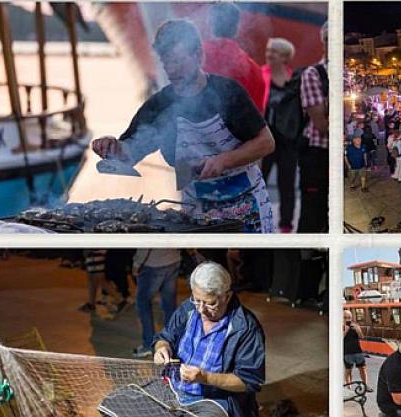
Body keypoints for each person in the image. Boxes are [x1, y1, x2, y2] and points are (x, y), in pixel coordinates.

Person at [92, 19, 275, 233]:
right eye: (166, 62)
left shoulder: (228, 92)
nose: (171, 70)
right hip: (195, 209)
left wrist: (224, 160)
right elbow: (130, 152)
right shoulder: (159, 105)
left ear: (198, 55)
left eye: (178, 61)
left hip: (246, 206)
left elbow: (266, 143)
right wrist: (110, 146)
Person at [152, 262, 265, 417]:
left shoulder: (245, 327)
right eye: (197, 300)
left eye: (211, 303)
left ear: (227, 296)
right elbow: (165, 337)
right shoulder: (189, 308)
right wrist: (162, 347)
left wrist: (205, 378)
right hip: (172, 387)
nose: (201, 309)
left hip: (211, 400)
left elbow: (249, 380)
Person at [261, 37, 299, 233]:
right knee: (259, 182)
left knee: (287, 185)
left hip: (287, 141)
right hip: (264, 139)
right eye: (268, 50)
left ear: (284, 56)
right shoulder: (260, 75)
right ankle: (254, 218)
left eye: (273, 51)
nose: (268, 54)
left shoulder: (295, 79)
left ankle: (285, 224)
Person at [201, 3, 266, 112]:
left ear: (210, 23)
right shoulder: (254, 69)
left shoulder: (194, 56)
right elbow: (258, 118)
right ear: (236, 28)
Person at [297, 22, 329, 233]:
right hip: (316, 155)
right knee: (312, 212)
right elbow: (321, 125)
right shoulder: (313, 74)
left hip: (327, 155)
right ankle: (308, 259)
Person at [132, 249, 181, 358]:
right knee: (169, 305)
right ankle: (171, 343)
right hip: (173, 259)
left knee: (143, 303)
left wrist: (137, 263)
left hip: (153, 263)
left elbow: (146, 243)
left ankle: (148, 344)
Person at [343, 310, 371, 391]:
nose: (347, 319)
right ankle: (348, 388)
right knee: (348, 371)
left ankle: (365, 385)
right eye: (345, 318)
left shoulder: (355, 325)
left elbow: (362, 337)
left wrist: (358, 330)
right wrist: (346, 330)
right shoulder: (340, 327)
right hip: (347, 353)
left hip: (358, 351)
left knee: (362, 368)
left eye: (349, 317)